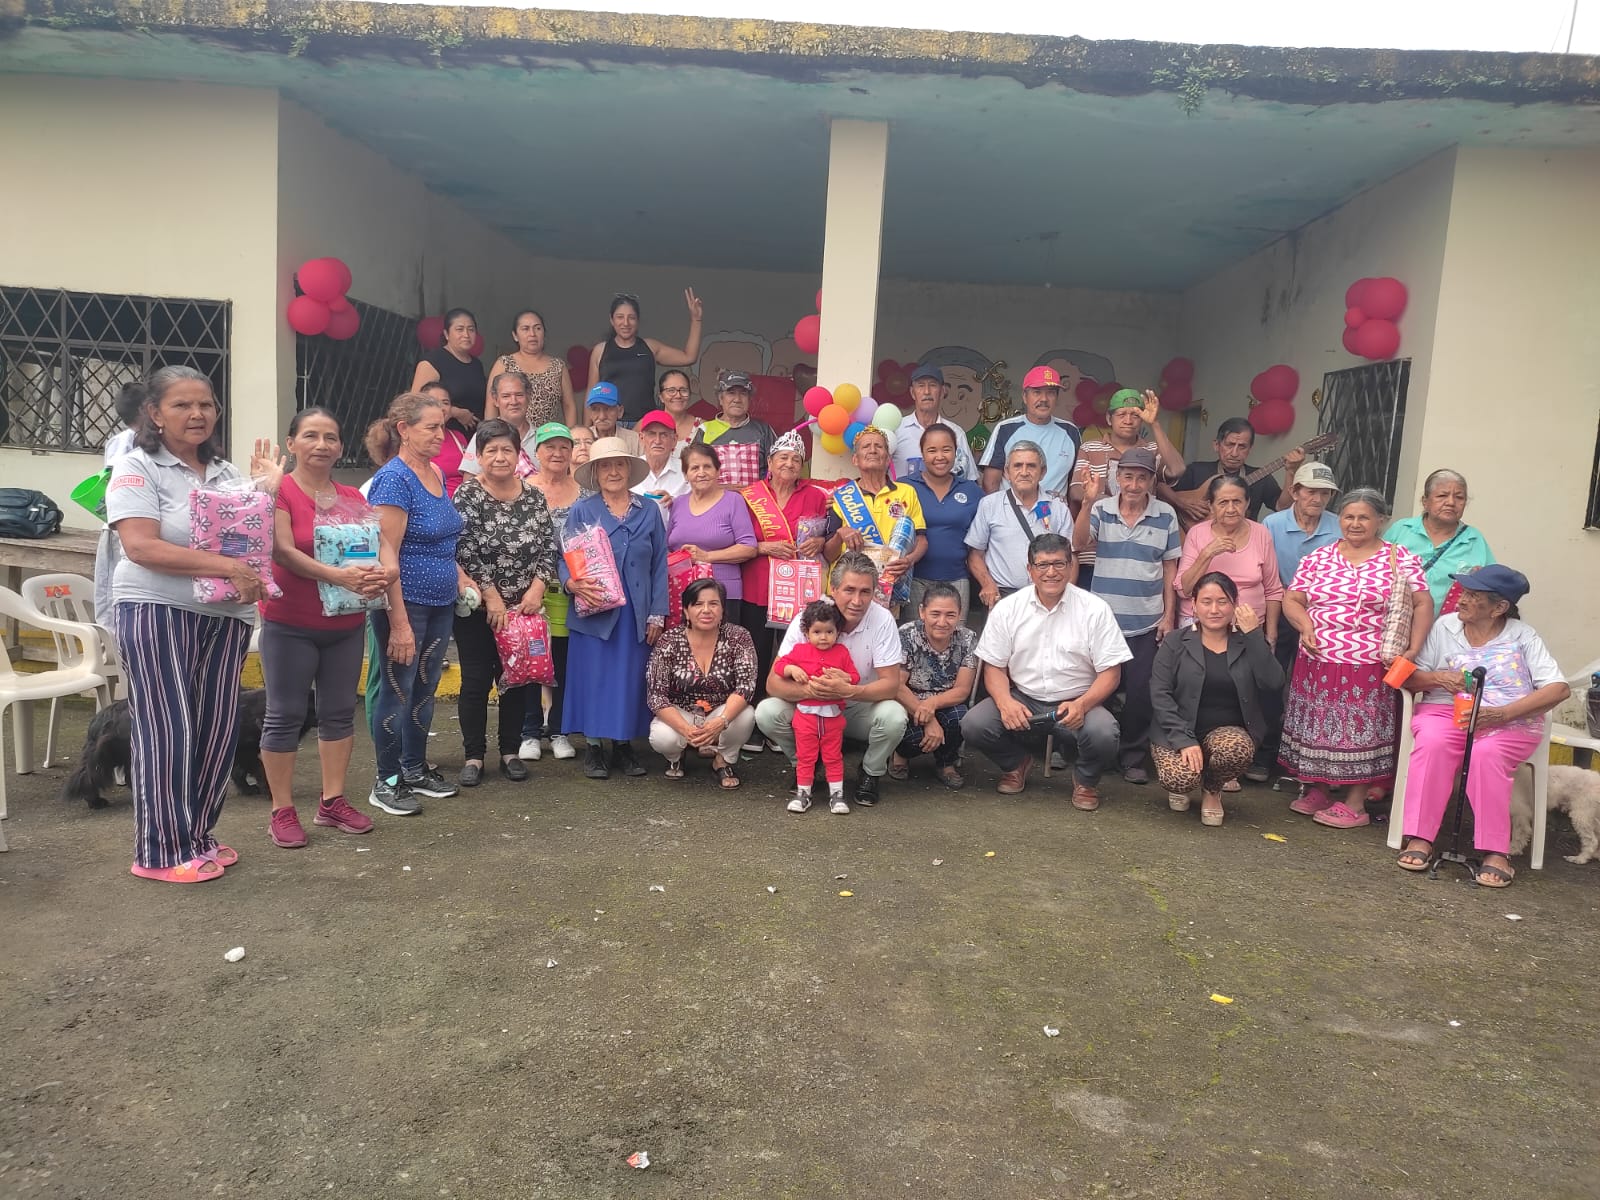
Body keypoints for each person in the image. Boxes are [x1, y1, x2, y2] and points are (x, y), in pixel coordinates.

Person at [106, 365, 283, 883]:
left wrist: (267, 491)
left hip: (224, 616)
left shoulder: (226, 473)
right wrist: (227, 566)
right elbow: (141, 546)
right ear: (155, 413)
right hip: (157, 610)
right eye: (182, 404)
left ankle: (196, 836)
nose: (197, 413)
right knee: (169, 728)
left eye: (205, 404)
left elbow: (249, 538)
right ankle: (159, 852)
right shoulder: (138, 467)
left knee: (216, 728)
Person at [1396, 565, 1569, 888]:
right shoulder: (1446, 626)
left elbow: (1558, 689)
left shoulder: (1522, 636)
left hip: (1509, 719)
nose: (1461, 600)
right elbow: (1411, 678)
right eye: (1464, 592)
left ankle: (1496, 850)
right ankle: (1420, 836)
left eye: (1473, 596)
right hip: (1446, 711)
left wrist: (1503, 714)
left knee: (1486, 753)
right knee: (1433, 743)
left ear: (1499, 607)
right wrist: (1439, 678)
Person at [260, 407, 384, 849]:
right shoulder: (279, 491)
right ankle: (282, 809)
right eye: (310, 435)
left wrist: (385, 573)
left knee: (338, 713)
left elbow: (380, 544)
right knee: (284, 715)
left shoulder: (352, 495)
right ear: (291, 443)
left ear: (341, 447)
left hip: (346, 623)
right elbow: (281, 551)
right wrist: (338, 576)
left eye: (331, 437)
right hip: (290, 622)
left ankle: (332, 801)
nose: (322, 445)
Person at [1279, 489, 1434, 828]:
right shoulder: (1319, 557)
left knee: (1362, 730)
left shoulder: (1400, 558)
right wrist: (1305, 626)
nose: (1355, 523)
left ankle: (1355, 803)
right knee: (1318, 726)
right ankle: (1318, 789)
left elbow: (1423, 603)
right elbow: (1292, 599)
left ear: (1381, 520)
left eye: (1364, 517)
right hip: (1318, 659)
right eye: (1348, 516)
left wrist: (1412, 649)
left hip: (1370, 663)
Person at [962, 534, 1131, 808]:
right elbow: (994, 666)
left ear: (1071, 566)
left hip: (1076, 701)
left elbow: (1112, 673)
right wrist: (1005, 702)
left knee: (1104, 732)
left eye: (1059, 564)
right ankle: (1016, 763)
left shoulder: (1095, 609)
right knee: (974, 724)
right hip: (1024, 698)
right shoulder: (1008, 608)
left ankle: (1086, 781)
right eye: (1042, 565)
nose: (1051, 572)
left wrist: (1082, 704)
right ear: (1029, 570)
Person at [366, 391, 467, 816]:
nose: (440, 434)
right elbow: (385, 553)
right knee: (396, 691)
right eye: (431, 427)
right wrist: (400, 622)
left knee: (424, 689)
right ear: (404, 430)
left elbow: (443, 540)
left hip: (440, 601)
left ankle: (413, 768)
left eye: (443, 426)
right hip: (405, 602)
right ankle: (386, 781)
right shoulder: (394, 480)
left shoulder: (435, 473)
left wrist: (460, 579)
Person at [453, 419, 559, 788]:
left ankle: (510, 752)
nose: (500, 457)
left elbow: (548, 546)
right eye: (491, 450)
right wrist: (491, 596)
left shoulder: (533, 496)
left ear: (518, 455)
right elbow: (463, 547)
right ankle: (474, 755)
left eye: (507, 450)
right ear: (480, 456)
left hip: (522, 612)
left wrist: (537, 588)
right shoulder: (467, 495)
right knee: (476, 681)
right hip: (478, 611)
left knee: (517, 680)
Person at [755, 552, 909, 807]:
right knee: (767, 712)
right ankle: (806, 765)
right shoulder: (809, 618)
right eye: (849, 590)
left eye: (865, 592)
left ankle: (870, 772)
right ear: (833, 589)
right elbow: (773, 684)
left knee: (894, 717)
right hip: (810, 708)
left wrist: (847, 691)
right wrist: (815, 691)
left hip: (858, 707)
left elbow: (891, 685)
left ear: (874, 592)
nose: (857, 601)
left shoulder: (882, 619)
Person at [560, 437, 669, 780]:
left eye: (619, 464)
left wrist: (657, 613)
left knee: (629, 679)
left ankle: (623, 746)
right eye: (605, 466)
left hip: (636, 613)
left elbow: (660, 565)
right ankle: (594, 747)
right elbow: (564, 557)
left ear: (629, 469)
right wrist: (571, 583)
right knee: (594, 678)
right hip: (596, 610)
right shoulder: (582, 510)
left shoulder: (648, 510)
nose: (613, 471)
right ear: (595, 472)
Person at [1071, 447, 1182, 784]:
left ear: (1151, 481)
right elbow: (1078, 543)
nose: (1134, 484)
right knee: (1095, 690)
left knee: (1140, 694)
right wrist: (1087, 502)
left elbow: (1170, 567)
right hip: (1103, 623)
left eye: (1142, 478)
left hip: (1146, 622)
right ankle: (1094, 751)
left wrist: (1168, 617)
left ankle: (1132, 757)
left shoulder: (1165, 514)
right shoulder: (1101, 509)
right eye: (1128, 476)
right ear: (1117, 477)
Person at [1150, 573, 1285, 826]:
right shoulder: (1175, 641)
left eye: (1222, 602)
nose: (1214, 610)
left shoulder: (1247, 640)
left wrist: (1254, 634)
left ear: (1235, 604)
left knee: (1237, 749)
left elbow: (1273, 682)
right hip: (1177, 731)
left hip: (1225, 733)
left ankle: (1212, 788)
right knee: (1180, 779)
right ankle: (1187, 779)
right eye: (1206, 601)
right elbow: (1159, 693)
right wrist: (1183, 741)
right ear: (1194, 604)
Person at [736, 429, 831, 721]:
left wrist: (820, 542)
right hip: (757, 586)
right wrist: (764, 546)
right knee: (757, 653)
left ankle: (787, 716)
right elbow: (736, 538)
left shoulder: (816, 496)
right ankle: (751, 716)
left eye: (796, 459)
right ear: (770, 461)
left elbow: (825, 534)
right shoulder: (749, 496)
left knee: (796, 656)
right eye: (783, 458)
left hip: (797, 590)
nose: (789, 464)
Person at [1258, 461, 1343, 778]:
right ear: (1294, 492)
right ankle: (1264, 753)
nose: (1317, 499)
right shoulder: (1272, 524)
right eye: (1311, 492)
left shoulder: (1338, 527)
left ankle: (1305, 759)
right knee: (1271, 681)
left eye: (1325, 493)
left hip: (1323, 615)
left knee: (1313, 687)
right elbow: (1265, 571)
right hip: (1278, 609)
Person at [645, 578, 758, 788]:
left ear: (722, 610)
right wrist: (685, 729)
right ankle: (676, 757)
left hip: (720, 711)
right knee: (662, 737)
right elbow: (656, 696)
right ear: (686, 611)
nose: (706, 610)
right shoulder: (669, 640)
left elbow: (746, 686)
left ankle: (723, 760)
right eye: (698, 604)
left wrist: (721, 721)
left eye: (713, 604)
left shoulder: (739, 637)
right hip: (682, 712)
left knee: (746, 715)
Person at [1068, 388, 1186, 590]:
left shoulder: (1151, 450)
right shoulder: (1090, 448)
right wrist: (1117, 505)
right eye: (1121, 414)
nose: (1128, 420)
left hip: (1140, 556)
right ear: (1109, 418)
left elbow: (1177, 469)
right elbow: (1077, 491)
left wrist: (1155, 424)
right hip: (1095, 554)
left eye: (1135, 415)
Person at [521, 422, 588, 763]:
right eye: (550, 446)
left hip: (569, 588)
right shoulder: (522, 489)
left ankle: (559, 729)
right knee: (531, 659)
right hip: (528, 590)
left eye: (564, 446)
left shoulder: (585, 493)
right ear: (537, 452)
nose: (557, 453)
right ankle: (529, 731)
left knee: (562, 661)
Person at [773, 598, 862, 813]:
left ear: (837, 632)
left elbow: (855, 677)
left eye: (829, 632)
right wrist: (792, 670)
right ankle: (803, 793)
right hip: (806, 716)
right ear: (806, 632)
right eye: (817, 632)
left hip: (832, 717)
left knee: (833, 757)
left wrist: (845, 678)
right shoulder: (799, 651)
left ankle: (837, 795)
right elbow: (780, 666)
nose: (823, 637)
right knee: (805, 757)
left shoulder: (841, 652)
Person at [823, 427, 927, 607]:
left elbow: (921, 540)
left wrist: (909, 561)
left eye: (879, 446)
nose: (872, 450)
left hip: (888, 589)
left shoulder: (907, 492)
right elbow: (828, 555)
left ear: (888, 458)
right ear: (855, 459)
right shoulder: (841, 497)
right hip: (848, 592)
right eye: (866, 447)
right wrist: (840, 534)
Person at [1176, 475, 1284, 646]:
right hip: (1200, 625)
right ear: (1211, 506)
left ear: (1247, 503)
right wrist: (1207, 553)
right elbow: (1184, 590)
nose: (1231, 509)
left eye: (1237, 501)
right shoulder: (1197, 533)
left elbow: (1273, 590)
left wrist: (1271, 636)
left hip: (1248, 626)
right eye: (1223, 503)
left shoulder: (1261, 533)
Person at [890, 582, 978, 789]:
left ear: (959, 614)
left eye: (950, 615)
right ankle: (900, 755)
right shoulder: (907, 634)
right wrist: (928, 719)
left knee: (960, 718)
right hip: (909, 703)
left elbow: (962, 690)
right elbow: (897, 686)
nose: (942, 622)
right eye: (935, 614)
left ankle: (946, 763)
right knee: (911, 738)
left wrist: (932, 704)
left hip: (945, 702)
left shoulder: (967, 639)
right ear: (922, 612)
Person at [965, 441, 1071, 608]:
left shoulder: (1058, 508)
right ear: (1007, 472)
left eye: (1031, 466)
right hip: (1002, 597)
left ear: (1042, 472)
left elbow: (1071, 557)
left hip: (1047, 597)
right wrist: (987, 584)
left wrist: (1065, 595)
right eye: (1017, 466)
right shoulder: (989, 505)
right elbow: (975, 555)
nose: (1024, 472)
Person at [667, 442, 758, 624]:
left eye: (707, 466)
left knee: (721, 642)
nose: (701, 473)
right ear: (685, 475)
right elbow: (667, 547)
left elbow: (749, 547)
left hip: (722, 595)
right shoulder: (677, 503)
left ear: (717, 471)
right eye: (694, 468)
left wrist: (706, 556)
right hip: (682, 593)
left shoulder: (733, 501)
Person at [1386, 469, 1496, 612]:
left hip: (1447, 625)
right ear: (1425, 501)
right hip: (1393, 619)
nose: (1451, 502)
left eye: (1459, 497)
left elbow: (1492, 587)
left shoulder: (1473, 539)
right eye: (1442, 495)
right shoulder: (1402, 529)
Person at [588, 290, 704, 423]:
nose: (626, 323)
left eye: (631, 317)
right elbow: (591, 394)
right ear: (611, 319)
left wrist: (696, 319)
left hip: (645, 425)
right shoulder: (600, 350)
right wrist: (586, 430)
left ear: (638, 320)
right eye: (620, 317)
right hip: (610, 424)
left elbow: (689, 357)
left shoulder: (650, 347)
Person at [1162, 416, 1300, 526]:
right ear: (1217, 445)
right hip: (1194, 538)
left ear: (1250, 449)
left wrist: (1291, 472)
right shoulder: (1196, 470)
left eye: (1242, 447)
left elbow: (1283, 507)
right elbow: (1160, 488)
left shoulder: (1262, 478)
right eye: (1230, 445)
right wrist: (1182, 503)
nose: (1234, 453)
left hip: (1243, 543)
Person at [905, 424, 982, 615]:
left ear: (956, 452)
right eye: (932, 450)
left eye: (946, 449)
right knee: (915, 632)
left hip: (957, 579)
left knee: (955, 633)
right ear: (922, 454)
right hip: (915, 579)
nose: (939, 456)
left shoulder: (972, 491)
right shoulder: (905, 487)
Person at [976, 365, 1080, 497]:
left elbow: (1075, 483)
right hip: (1011, 508)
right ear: (1025, 397)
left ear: (1057, 398)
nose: (1044, 399)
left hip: (1055, 509)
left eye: (1051, 392)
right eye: (1037, 392)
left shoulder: (1070, 432)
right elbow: (990, 483)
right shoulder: (1006, 429)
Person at [93, 381, 147, 633]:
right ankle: (111, 642)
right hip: (120, 527)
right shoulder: (127, 443)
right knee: (113, 591)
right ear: (147, 410)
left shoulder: (121, 440)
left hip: (133, 526)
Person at [485, 309, 575, 428]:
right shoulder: (504, 364)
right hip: (512, 435)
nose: (532, 334)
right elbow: (491, 404)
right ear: (515, 336)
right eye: (525, 329)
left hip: (549, 436)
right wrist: (491, 433)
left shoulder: (558, 366)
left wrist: (571, 434)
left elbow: (569, 406)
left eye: (537, 328)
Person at [892, 364, 979, 482]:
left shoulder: (955, 433)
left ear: (942, 392)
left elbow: (970, 479)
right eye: (921, 386)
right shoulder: (896, 429)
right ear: (912, 393)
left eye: (933, 385)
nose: (927, 391)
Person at [693, 370, 777, 489]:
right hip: (715, 499)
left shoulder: (763, 430)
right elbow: (693, 473)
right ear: (720, 398)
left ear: (750, 399)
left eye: (743, 393)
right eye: (731, 393)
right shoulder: (705, 430)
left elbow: (777, 470)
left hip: (757, 500)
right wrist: (720, 489)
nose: (737, 399)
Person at [409, 307, 487, 435]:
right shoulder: (433, 361)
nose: (466, 335)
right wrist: (455, 412)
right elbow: (415, 403)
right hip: (441, 436)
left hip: (473, 438)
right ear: (446, 334)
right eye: (459, 329)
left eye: (471, 329)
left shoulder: (476, 364)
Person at [461, 370, 538, 478]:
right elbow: (468, 480)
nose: (513, 401)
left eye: (519, 395)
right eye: (506, 396)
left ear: (528, 397)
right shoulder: (484, 435)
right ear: (495, 400)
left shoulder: (541, 437)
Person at [633, 409, 689, 510]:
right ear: (641, 438)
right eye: (652, 434)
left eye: (664, 435)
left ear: (674, 440)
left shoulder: (687, 470)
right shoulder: (631, 470)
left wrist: (674, 503)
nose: (658, 441)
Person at [583, 382, 642, 455]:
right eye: (595, 409)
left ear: (620, 411)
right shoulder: (581, 441)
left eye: (608, 409)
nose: (602, 417)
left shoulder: (634, 440)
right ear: (590, 413)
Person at [656, 368, 702, 453]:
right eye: (671, 391)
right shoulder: (647, 424)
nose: (678, 395)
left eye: (683, 390)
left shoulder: (702, 427)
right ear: (661, 397)